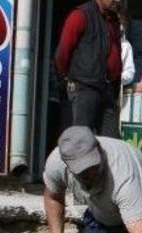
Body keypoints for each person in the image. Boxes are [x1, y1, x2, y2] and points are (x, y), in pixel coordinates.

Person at [54, 0, 122, 138]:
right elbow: (62, 52)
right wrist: (68, 76)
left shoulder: (112, 20)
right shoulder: (81, 15)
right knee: (80, 139)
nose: (117, 0)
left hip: (105, 87)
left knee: (112, 141)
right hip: (84, 87)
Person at [116, 2, 135, 87]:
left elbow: (129, 72)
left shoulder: (125, 45)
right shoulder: (97, 38)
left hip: (110, 92)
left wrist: (117, 77)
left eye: (122, 23)